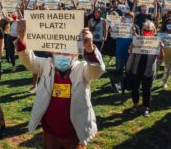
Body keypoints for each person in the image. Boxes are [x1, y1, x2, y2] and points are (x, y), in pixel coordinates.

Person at [16, 20, 105, 148]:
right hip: (49, 134)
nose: (63, 55)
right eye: (58, 51)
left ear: (76, 52)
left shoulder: (82, 69)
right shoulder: (45, 65)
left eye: (67, 52)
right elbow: (27, 59)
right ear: (52, 52)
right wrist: (22, 38)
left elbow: (97, 70)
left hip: (75, 135)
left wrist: (90, 49)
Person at [128, 20, 163, 117]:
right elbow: (131, 52)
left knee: (147, 89)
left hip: (148, 70)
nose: (147, 31)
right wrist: (131, 46)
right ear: (142, 30)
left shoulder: (156, 42)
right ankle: (135, 105)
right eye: (145, 30)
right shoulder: (138, 39)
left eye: (149, 30)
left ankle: (145, 107)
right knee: (135, 88)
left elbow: (160, 58)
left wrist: (161, 49)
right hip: (137, 68)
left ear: (153, 31)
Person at [159, 16, 171, 89]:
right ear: (165, 24)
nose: (170, 24)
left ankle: (164, 82)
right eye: (168, 23)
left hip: (170, 52)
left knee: (167, 69)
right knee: (155, 67)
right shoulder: (160, 32)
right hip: (160, 52)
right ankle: (150, 81)